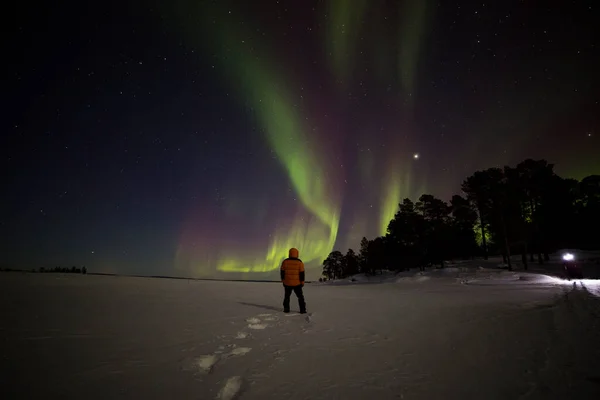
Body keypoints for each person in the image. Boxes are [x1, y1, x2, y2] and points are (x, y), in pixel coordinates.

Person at [280, 247, 307, 314]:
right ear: (297, 254)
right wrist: (302, 282)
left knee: (287, 297)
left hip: (287, 283)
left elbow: (282, 272)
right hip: (297, 283)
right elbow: (302, 273)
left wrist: (283, 280)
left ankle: (286, 309)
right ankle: (302, 310)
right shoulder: (300, 262)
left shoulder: (285, 262)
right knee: (300, 297)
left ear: (289, 253)